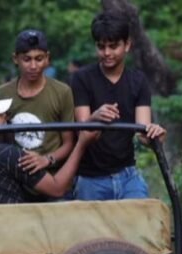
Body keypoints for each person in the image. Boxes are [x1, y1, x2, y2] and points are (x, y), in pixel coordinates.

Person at [70, 11, 167, 200]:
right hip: (91, 178)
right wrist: (95, 117)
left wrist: (155, 135)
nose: (107, 53)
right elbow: (82, 131)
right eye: (101, 47)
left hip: (127, 174)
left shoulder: (138, 81)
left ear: (127, 45)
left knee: (141, 223)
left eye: (113, 46)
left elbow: (142, 132)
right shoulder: (82, 78)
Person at [0, 92, 97, 206]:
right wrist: (81, 144)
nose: (5, 116)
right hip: (13, 238)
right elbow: (57, 189)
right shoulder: (9, 154)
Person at [0, 29, 75, 174]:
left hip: (52, 175)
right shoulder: (3, 93)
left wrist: (46, 159)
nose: (33, 66)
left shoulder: (62, 92)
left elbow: (68, 143)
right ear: (15, 59)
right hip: (15, 175)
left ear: (47, 58)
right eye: (27, 59)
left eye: (39, 59)